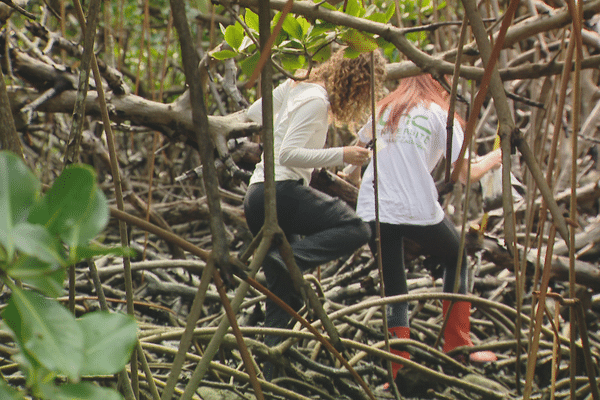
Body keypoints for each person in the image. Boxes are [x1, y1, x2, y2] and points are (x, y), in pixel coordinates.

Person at [243, 48, 387, 379]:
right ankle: (291, 258)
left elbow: (254, 112)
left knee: (283, 298)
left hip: (258, 195)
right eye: (366, 90)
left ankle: (274, 373)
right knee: (356, 228)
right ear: (355, 82)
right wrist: (343, 154)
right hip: (279, 192)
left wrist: (285, 101)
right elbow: (289, 152)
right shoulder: (317, 100)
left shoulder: (296, 86)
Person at [352, 74, 501, 386]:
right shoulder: (440, 116)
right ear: (441, 86)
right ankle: (458, 348)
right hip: (415, 208)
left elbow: (359, 147)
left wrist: (349, 176)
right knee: (458, 257)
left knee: (394, 290)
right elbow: (465, 174)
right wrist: (496, 157)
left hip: (374, 207)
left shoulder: (385, 108)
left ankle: (397, 367)